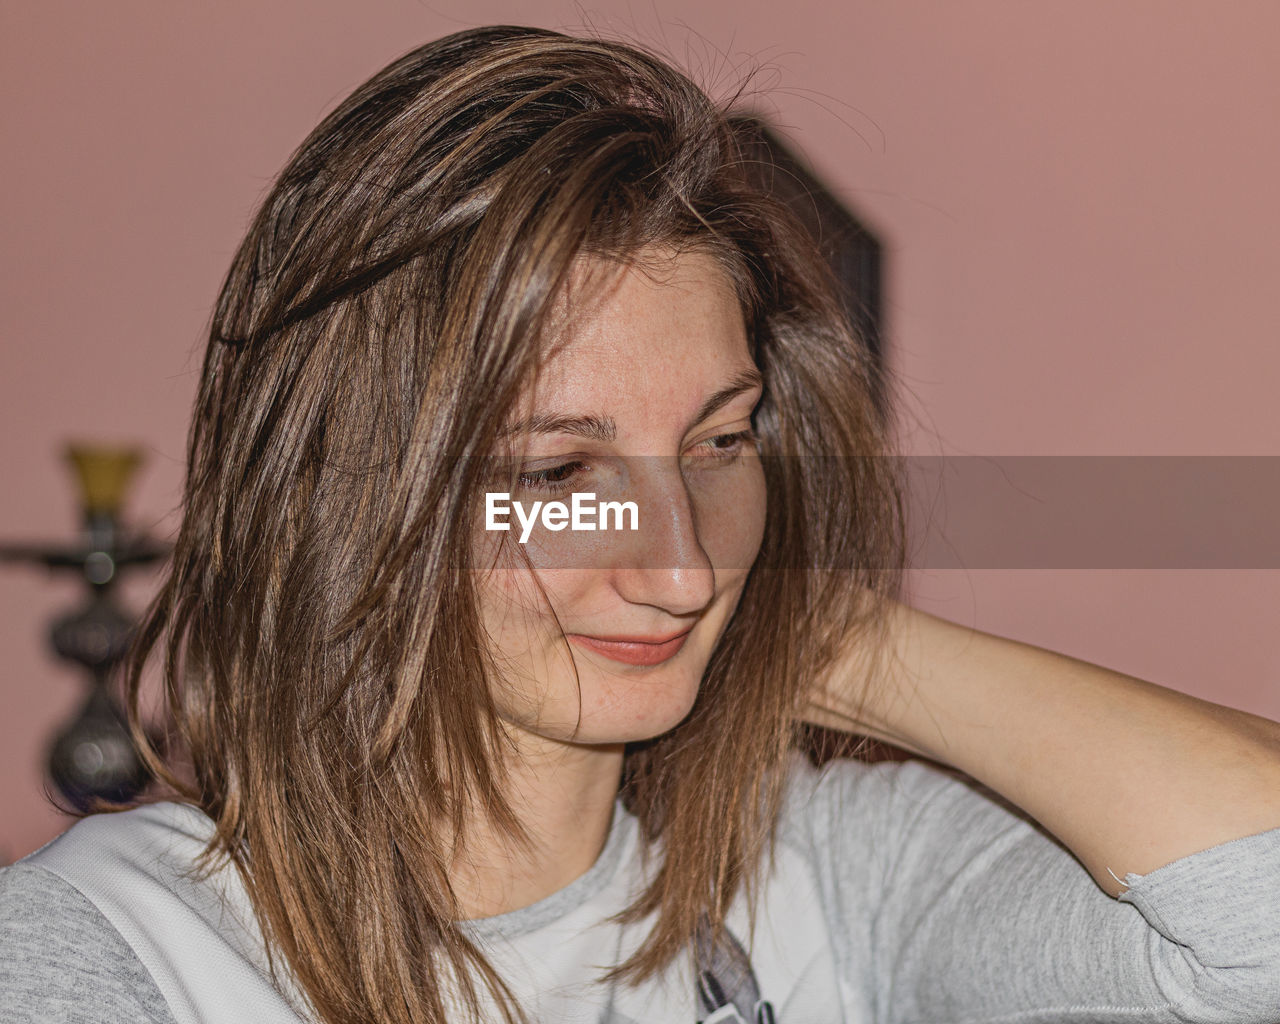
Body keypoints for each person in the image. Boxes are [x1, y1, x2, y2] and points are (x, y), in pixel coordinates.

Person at [2, 24, 1279, 1024]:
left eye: (720, 443)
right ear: (358, 493)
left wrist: (824, 636)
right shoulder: (107, 952)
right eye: (559, 473)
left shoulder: (816, 877)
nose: (678, 566)